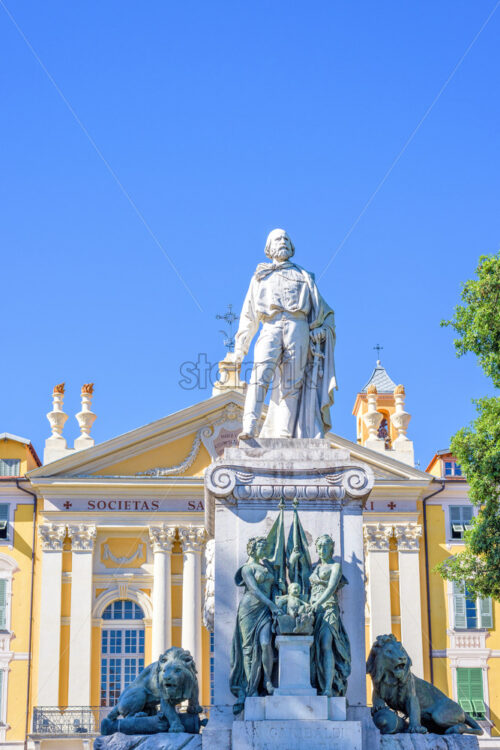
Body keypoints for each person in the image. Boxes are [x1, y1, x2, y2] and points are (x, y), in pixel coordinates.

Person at [233, 228, 337, 439]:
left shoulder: (305, 276)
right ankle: (249, 427)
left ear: (292, 247)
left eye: (286, 239)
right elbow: (249, 315)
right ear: (268, 248)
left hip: (297, 325)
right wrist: (240, 349)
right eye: (278, 239)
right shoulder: (260, 277)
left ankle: (284, 434)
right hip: (269, 325)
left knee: (292, 383)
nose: (283, 242)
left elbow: (326, 313)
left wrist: (320, 329)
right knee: (259, 376)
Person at [230, 536, 280, 714]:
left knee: (266, 643)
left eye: (265, 545)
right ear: (252, 548)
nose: (265, 548)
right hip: (250, 609)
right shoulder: (246, 568)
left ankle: (267, 680)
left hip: (265, 610)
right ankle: (251, 686)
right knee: (249, 649)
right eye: (261, 546)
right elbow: (254, 590)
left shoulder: (266, 567)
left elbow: (274, 586)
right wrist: (272, 605)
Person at [309, 534, 351, 696]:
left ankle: (328, 687)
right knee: (313, 648)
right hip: (313, 611)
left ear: (332, 548)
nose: (322, 550)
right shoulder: (315, 568)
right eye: (320, 547)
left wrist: (318, 602)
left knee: (326, 645)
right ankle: (315, 684)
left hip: (328, 609)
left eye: (326, 546)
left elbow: (331, 587)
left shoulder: (335, 567)